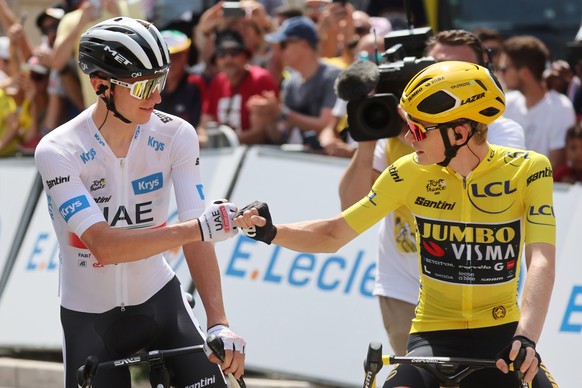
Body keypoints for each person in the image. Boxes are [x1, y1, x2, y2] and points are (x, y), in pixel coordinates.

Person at [234, 61, 557, 387]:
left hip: (502, 335)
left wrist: (526, 337)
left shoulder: (528, 170)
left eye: (417, 129)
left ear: (458, 133)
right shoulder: (407, 172)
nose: (407, 136)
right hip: (432, 334)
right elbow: (334, 233)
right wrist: (271, 232)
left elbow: (541, 259)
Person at [34, 17, 245, 388]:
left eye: (160, 82)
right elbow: (105, 246)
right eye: (145, 86)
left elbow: (199, 238)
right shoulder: (58, 150)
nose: (157, 97)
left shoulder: (176, 134)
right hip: (90, 317)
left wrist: (219, 322)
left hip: (159, 300)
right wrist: (197, 228)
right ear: (101, 86)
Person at [337, 29, 527, 356]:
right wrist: (367, 140)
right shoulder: (395, 132)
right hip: (403, 287)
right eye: (438, 65)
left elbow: (477, 193)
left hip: (477, 290)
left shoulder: (503, 130)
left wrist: (426, 133)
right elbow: (352, 205)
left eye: (460, 66)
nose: (447, 76)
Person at [248, 16, 342, 148]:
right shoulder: (290, 83)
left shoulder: (332, 76)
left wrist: (281, 112)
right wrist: (269, 118)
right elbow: (281, 136)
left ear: (303, 44)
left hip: (328, 161)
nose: (278, 52)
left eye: (283, 45)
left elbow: (326, 124)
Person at [500, 35, 577, 169]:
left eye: (504, 69)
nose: (501, 74)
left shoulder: (561, 107)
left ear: (524, 72)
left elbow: (555, 165)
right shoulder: (506, 103)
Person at [198, 28, 279, 145]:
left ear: (246, 56)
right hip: (222, 156)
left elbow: (260, 135)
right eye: (221, 54)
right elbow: (204, 124)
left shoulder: (260, 79)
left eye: (234, 52)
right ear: (216, 60)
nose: (228, 59)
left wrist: (218, 143)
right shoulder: (217, 82)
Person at [157, 30, 204, 130]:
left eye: (175, 56)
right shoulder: (152, 87)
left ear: (186, 54)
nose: (169, 62)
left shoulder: (197, 84)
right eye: (164, 57)